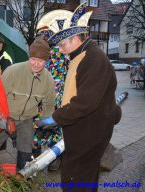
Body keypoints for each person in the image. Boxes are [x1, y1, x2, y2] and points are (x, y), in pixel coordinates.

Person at [37, 3, 122, 191]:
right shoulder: (82, 55)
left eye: (62, 44)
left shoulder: (92, 58)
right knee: (84, 176)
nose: (60, 49)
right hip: (85, 128)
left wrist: (55, 118)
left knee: (76, 180)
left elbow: (85, 102)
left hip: (89, 131)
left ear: (75, 38)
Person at [0, 39, 55, 171]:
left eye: (41, 61)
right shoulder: (13, 71)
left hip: (26, 120)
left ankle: (21, 182)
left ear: (46, 61)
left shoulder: (48, 80)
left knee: (25, 156)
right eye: (33, 59)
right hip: (6, 116)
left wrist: (46, 119)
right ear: (29, 57)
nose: (36, 64)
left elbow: (48, 102)